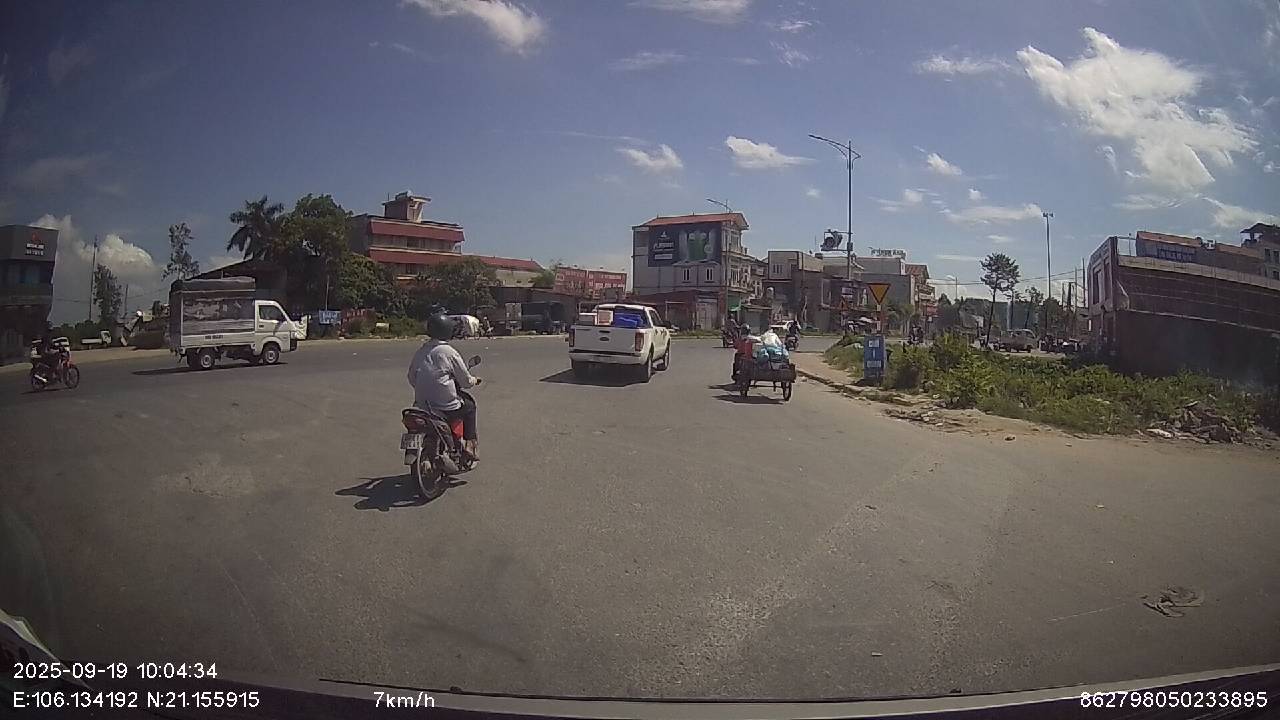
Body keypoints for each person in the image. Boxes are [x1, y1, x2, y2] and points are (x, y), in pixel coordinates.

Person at [407, 313, 482, 461]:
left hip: (422, 405)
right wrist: (475, 380)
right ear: (447, 330)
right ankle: (470, 446)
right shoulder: (449, 352)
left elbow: (411, 377)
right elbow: (465, 382)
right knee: (469, 406)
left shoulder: (421, 351)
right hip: (445, 406)